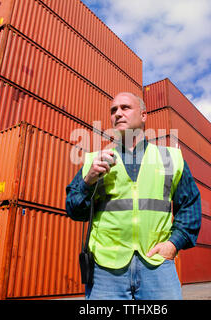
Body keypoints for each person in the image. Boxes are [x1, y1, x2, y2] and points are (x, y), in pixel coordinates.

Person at [65, 92, 201, 300]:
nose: (117, 113)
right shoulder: (95, 160)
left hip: (156, 264)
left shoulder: (169, 158)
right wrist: (88, 181)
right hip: (106, 269)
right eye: (113, 110)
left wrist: (174, 243)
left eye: (125, 108)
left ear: (144, 115)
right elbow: (74, 210)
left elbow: (190, 204)